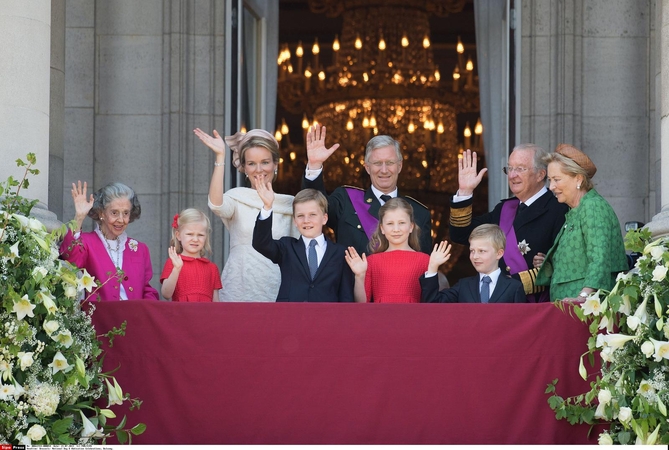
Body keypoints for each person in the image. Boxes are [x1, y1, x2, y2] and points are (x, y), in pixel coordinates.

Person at [449, 145, 569, 302]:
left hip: (534, 304)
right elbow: (461, 234)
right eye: (509, 168)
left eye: (520, 169)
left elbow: (563, 267)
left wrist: (548, 266)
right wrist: (465, 192)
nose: (512, 175)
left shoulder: (558, 210)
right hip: (501, 302)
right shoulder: (505, 208)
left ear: (540, 175)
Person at [194, 127, 300, 302]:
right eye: (251, 163)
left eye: (265, 162)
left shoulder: (290, 204)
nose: (259, 169)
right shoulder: (237, 197)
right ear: (243, 167)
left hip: (278, 288)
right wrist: (220, 157)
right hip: (239, 288)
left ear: (275, 164)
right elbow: (216, 204)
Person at [302, 125, 432, 255]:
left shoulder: (419, 213)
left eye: (390, 163)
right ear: (367, 167)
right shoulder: (346, 200)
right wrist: (314, 165)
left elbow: (425, 268)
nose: (384, 170)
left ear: (400, 166)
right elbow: (313, 210)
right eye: (377, 163)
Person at [535, 144, 628, 301]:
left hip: (585, 312)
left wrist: (582, 297)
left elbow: (600, 259)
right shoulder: (575, 211)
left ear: (578, 179)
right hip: (570, 310)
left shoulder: (592, 206)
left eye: (557, 179)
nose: (551, 187)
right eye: (550, 180)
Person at [60, 181, 159, 301]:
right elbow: (70, 263)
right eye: (114, 213)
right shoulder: (86, 242)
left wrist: (147, 311)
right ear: (102, 213)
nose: (121, 220)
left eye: (126, 213)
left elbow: (147, 290)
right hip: (100, 318)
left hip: (135, 317)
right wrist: (79, 217)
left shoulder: (140, 249)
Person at [252, 187, 354, 302]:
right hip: (290, 316)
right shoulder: (287, 247)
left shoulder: (340, 253)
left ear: (324, 218)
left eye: (312, 215)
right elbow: (261, 243)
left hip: (327, 317)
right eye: (300, 216)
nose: (306, 220)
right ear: (295, 221)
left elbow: (346, 296)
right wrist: (267, 207)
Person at [344, 198, 445, 303]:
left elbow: (431, 301)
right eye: (390, 223)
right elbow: (361, 304)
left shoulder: (425, 260)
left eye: (401, 223)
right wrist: (360, 276)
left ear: (411, 227)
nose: (396, 229)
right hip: (380, 318)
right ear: (382, 228)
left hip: (414, 318)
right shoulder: (371, 261)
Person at [421, 224, 526, 304]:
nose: (475, 256)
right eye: (472, 251)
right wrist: (432, 267)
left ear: (499, 253)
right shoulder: (463, 286)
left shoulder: (514, 287)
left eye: (482, 251)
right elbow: (434, 303)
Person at [160, 208, 222, 302]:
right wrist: (176, 269)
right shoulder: (173, 263)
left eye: (200, 235)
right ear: (178, 235)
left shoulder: (212, 268)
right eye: (190, 234)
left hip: (205, 315)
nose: (195, 239)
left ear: (206, 236)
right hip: (181, 315)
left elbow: (216, 303)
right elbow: (166, 294)